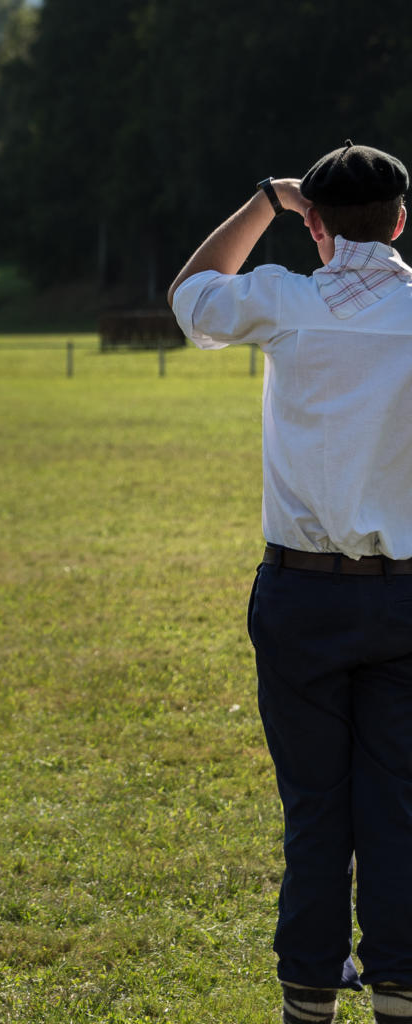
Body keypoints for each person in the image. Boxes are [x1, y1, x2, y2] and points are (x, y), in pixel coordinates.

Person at [167, 141, 412, 1024]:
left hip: (303, 594)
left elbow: (191, 291)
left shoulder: (284, 300)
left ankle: (308, 996)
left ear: (315, 225)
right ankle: (399, 992)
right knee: (401, 811)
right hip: (407, 595)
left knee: (316, 814)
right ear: (400, 220)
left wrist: (263, 202)